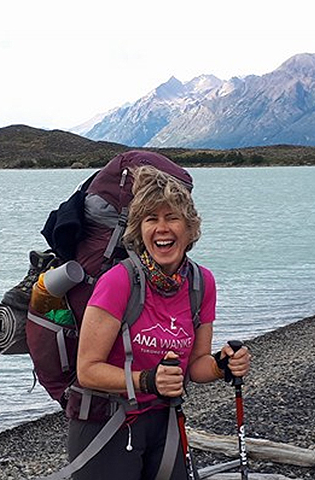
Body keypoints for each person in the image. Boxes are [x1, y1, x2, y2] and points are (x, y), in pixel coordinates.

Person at [70, 165, 251, 480]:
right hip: (107, 422)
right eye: (151, 219)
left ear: (190, 228)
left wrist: (223, 365)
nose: (162, 228)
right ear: (139, 231)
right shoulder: (119, 281)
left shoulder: (201, 283)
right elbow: (87, 370)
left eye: (172, 217)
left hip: (164, 418)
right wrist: (148, 381)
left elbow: (196, 366)